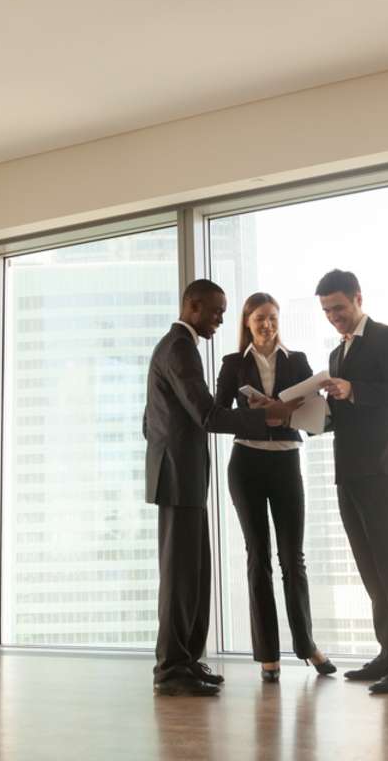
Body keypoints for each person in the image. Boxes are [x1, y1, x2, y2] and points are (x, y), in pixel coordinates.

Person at [144, 279, 302, 697]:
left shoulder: (178, 347)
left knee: (195, 574)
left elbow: (150, 421)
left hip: (183, 475)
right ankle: (171, 670)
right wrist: (268, 418)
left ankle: (186, 661)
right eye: (215, 311)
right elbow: (208, 416)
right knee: (180, 578)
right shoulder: (179, 348)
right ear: (192, 305)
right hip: (178, 478)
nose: (220, 319)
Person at [316, 269, 388, 694]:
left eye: (339, 308)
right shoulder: (334, 355)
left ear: (358, 298)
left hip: (381, 468)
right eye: (327, 311)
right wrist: (316, 413)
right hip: (348, 470)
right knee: (369, 566)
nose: (334, 317)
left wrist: (354, 389)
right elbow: (344, 412)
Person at [214, 292, 335, 682]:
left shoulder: (297, 361)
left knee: (292, 558)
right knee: (258, 558)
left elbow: (318, 413)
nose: (267, 324)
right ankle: (268, 654)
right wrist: (254, 414)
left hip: (285, 461)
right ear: (247, 322)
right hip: (246, 464)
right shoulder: (233, 365)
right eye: (259, 318)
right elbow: (216, 416)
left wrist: (283, 412)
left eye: (272, 318)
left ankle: (307, 646)